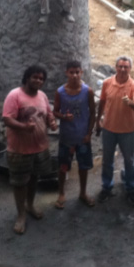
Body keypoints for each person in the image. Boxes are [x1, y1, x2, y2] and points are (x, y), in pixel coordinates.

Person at [2, 65, 57, 234]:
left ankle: (30, 205)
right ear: (27, 78)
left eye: (41, 78)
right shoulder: (15, 95)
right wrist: (24, 127)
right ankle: (21, 216)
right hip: (19, 149)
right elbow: (7, 119)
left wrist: (52, 122)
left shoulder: (42, 96)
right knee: (20, 183)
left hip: (39, 148)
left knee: (34, 178)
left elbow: (48, 113)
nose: (38, 81)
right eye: (35, 77)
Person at [95, 56, 134, 206]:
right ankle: (106, 187)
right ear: (115, 67)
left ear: (130, 69)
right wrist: (98, 120)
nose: (122, 69)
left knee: (129, 161)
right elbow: (102, 101)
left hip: (127, 130)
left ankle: (130, 189)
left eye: (126, 67)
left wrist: (130, 102)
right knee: (107, 160)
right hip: (108, 128)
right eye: (120, 66)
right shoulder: (107, 82)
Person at [53, 60, 96, 209]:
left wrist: (89, 133)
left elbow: (93, 113)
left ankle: (83, 193)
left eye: (77, 72)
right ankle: (61, 193)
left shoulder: (87, 91)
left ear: (81, 73)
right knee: (63, 166)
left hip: (83, 137)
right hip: (66, 137)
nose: (75, 75)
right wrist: (64, 117)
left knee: (83, 167)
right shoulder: (60, 92)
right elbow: (55, 111)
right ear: (66, 73)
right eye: (71, 72)